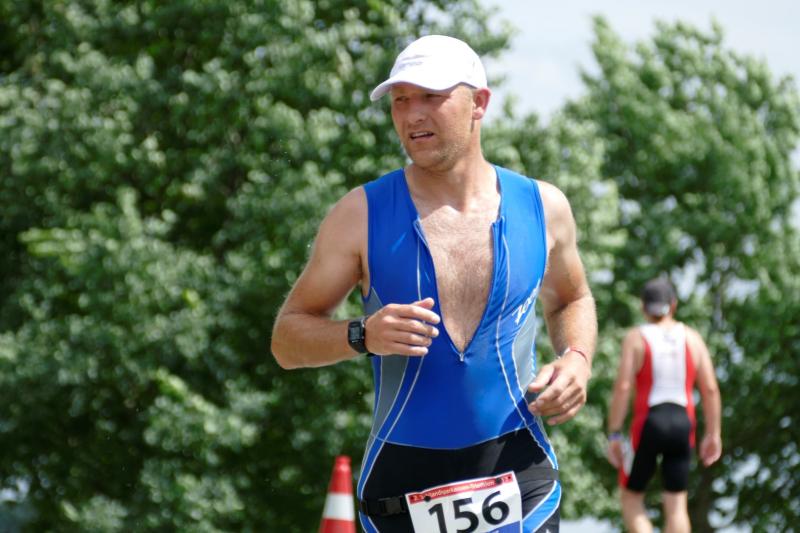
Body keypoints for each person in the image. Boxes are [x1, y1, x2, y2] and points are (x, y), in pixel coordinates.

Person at [271, 34, 597, 533]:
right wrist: (361, 335)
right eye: (401, 100)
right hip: (403, 488)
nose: (412, 114)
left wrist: (577, 358)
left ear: (479, 103)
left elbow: (572, 298)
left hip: (520, 475)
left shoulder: (543, 206)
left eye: (431, 96)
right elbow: (286, 340)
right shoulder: (359, 215)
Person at [606, 277, 722, 533]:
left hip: (649, 423)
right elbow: (711, 390)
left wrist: (614, 434)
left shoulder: (636, 338)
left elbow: (623, 387)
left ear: (643, 307)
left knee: (631, 497)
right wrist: (713, 434)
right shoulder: (692, 338)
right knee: (677, 504)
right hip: (683, 425)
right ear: (674, 304)